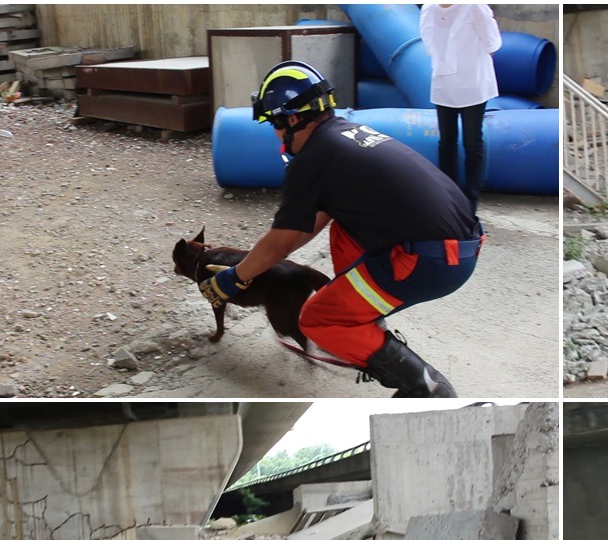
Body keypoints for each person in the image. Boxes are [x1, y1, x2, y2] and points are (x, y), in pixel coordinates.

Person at [200, 61, 484, 398]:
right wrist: (252, 265)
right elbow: (307, 225)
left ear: (290, 119)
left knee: (317, 321)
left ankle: (424, 385)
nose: (275, 134)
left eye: (274, 124)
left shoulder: (313, 159)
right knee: (342, 227)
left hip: (431, 263)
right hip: (460, 246)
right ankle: (363, 323)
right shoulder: (348, 135)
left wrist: (232, 278)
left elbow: (281, 243)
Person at [419, 3, 502, 209]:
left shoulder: (474, 6)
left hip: (473, 83)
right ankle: (449, 196)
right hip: (444, 83)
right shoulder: (429, 8)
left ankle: (470, 199)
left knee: (471, 142)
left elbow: (491, 42)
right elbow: (429, 44)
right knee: (447, 142)